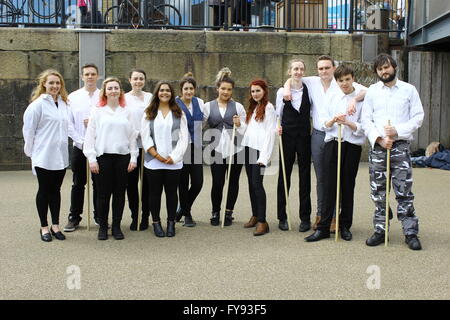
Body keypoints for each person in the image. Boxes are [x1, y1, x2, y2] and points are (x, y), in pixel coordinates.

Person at [283, 55, 365, 233]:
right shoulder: (312, 81)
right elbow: (292, 77)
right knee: (322, 178)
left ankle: (336, 217)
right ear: (317, 70)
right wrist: (287, 88)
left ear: (333, 69)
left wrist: (354, 99)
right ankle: (321, 215)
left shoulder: (341, 82)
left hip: (339, 133)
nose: (324, 71)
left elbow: (368, 90)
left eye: (327, 68)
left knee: (339, 179)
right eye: (321, 68)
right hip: (319, 134)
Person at [361, 53, 424, 250]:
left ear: (394, 67)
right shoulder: (372, 91)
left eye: (387, 67)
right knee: (378, 191)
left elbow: (418, 117)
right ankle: (380, 229)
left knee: (403, 190)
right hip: (379, 148)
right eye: (380, 69)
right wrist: (378, 139)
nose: (384, 71)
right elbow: (365, 119)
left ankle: (410, 231)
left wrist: (397, 131)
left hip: (400, 147)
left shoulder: (408, 90)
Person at [305, 64, 367, 242]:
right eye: (340, 81)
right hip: (333, 143)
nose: (344, 83)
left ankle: (345, 226)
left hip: (352, 145)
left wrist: (349, 123)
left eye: (347, 79)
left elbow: (364, 126)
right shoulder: (331, 96)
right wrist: (333, 120)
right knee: (329, 186)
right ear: (337, 81)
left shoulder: (362, 97)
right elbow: (323, 121)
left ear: (353, 78)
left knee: (347, 186)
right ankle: (323, 227)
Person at [83, 77, 138, 240]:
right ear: (105, 92)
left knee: (120, 194)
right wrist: (92, 158)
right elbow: (90, 136)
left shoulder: (126, 111)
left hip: (122, 158)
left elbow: (132, 137)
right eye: (110, 88)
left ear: (120, 91)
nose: (113, 91)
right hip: (103, 158)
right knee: (103, 194)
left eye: (116, 88)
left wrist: (133, 157)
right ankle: (103, 226)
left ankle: (116, 226)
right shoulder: (97, 111)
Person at [23, 69, 70, 242]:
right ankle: (44, 227)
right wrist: (31, 154)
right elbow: (28, 131)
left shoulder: (65, 104)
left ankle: (55, 225)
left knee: (56, 191)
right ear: (44, 84)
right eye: (51, 83)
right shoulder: (37, 105)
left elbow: (69, 128)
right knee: (44, 190)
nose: (55, 86)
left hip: (60, 156)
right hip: (43, 156)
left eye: (58, 83)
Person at [141, 81, 189, 238]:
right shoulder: (149, 112)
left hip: (173, 162)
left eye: (167, 90)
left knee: (171, 193)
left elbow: (184, 138)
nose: (164, 93)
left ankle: (171, 223)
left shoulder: (178, 112)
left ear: (172, 93)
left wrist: (173, 157)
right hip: (153, 161)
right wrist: (156, 155)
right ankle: (155, 222)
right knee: (154, 194)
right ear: (157, 93)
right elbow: (145, 135)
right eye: (161, 90)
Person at [203, 67, 246, 226]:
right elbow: (200, 124)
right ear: (217, 89)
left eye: (229, 89)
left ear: (232, 91)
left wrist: (239, 123)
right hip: (216, 150)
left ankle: (228, 213)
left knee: (233, 181)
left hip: (236, 149)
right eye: (223, 89)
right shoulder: (208, 106)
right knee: (218, 182)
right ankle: (215, 212)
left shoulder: (239, 107)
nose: (226, 92)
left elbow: (244, 130)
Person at [276, 59, 312, 232]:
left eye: (301, 69)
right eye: (295, 69)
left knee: (305, 177)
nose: (298, 72)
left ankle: (305, 217)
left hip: (304, 136)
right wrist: (278, 127)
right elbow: (278, 114)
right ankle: (282, 216)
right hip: (288, 136)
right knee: (284, 175)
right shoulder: (282, 92)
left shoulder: (309, 90)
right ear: (289, 71)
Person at [64, 63, 100, 232]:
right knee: (78, 183)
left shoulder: (104, 96)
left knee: (99, 183)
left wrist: (95, 125)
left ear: (98, 76)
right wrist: (81, 140)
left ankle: (99, 215)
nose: (90, 77)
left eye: (93, 74)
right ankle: (74, 217)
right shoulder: (73, 97)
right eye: (87, 74)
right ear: (82, 76)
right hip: (79, 145)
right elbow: (68, 123)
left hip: (99, 147)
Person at [241, 79, 276, 236]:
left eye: (258, 91)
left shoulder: (269, 108)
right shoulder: (253, 107)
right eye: (253, 91)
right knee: (250, 184)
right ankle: (255, 215)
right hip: (248, 148)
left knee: (257, 184)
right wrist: (238, 124)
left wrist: (264, 157)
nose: (255, 94)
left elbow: (270, 133)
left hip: (260, 152)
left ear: (264, 91)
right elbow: (247, 131)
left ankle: (263, 221)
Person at [175, 72, 205, 227]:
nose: (188, 91)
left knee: (198, 182)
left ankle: (180, 210)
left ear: (195, 89)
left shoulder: (199, 102)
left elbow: (203, 121)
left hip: (197, 148)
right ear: (181, 90)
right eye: (186, 88)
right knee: (183, 182)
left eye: (191, 88)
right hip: (181, 148)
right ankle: (187, 215)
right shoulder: (174, 103)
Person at [125, 69, 153, 231]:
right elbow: (122, 119)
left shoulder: (150, 97)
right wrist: (134, 133)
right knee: (131, 184)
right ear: (130, 80)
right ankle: (134, 216)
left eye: (141, 78)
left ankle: (145, 217)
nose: (138, 81)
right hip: (131, 146)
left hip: (148, 146)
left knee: (147, 184)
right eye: (135, 78)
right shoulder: (125, 98)